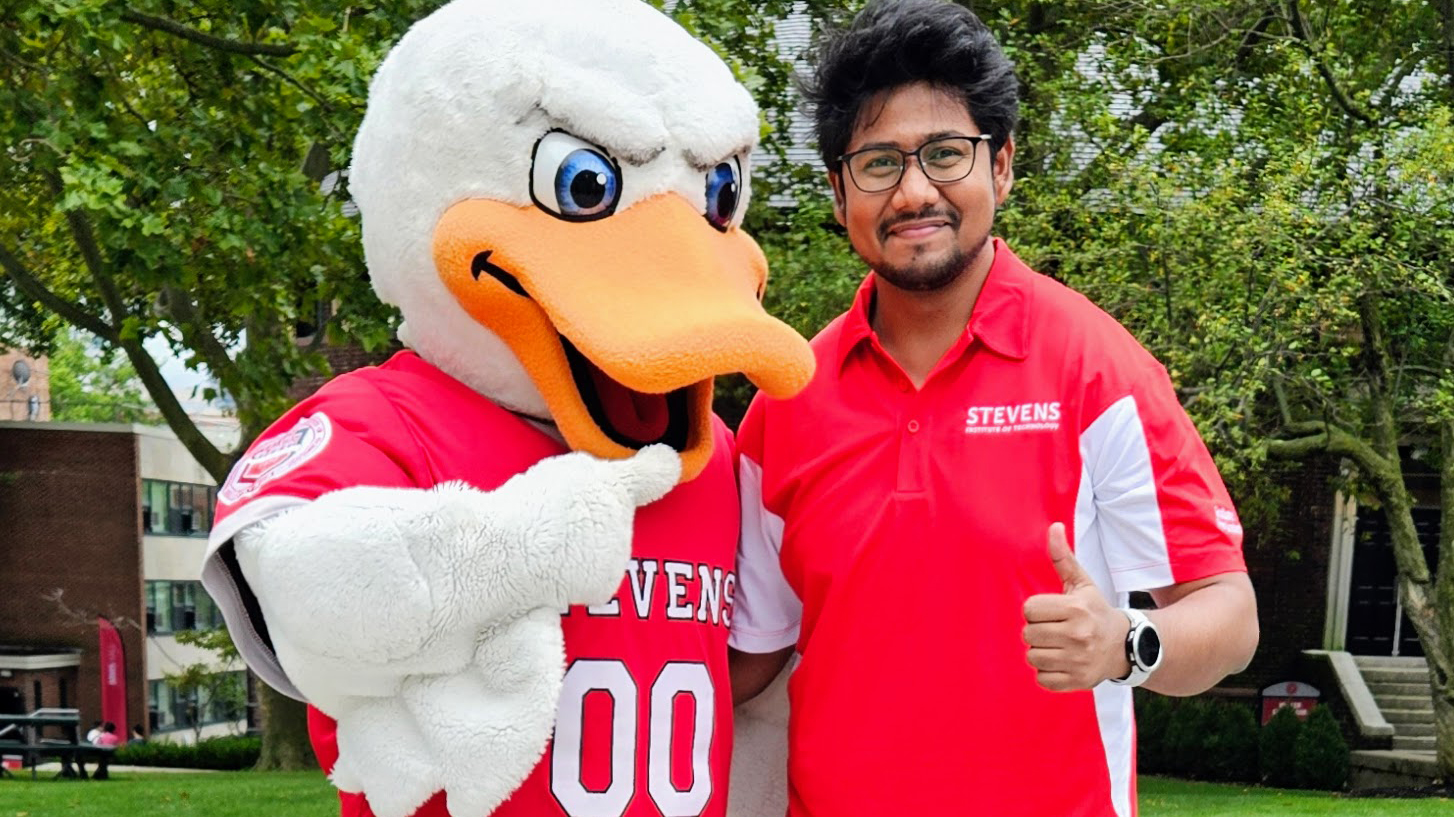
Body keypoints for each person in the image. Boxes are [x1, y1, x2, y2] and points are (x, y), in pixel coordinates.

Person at [727, 2, 1259, 816]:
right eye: (877, 164)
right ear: (839, 193)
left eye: (945, 154)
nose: (914, 192)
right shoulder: (787, 398)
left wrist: (1125, 643)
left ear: (1001, 166)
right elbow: (746, 658)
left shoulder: (1097, 369)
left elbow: (1228, 614)